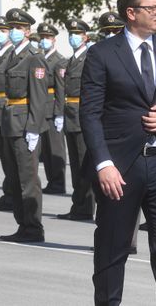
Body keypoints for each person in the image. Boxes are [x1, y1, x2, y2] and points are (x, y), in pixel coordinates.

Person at [80, 0, 156, 305]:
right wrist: (104, 164)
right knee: (112, 251)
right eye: (152, 7)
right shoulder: (102, 54)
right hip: (120, 169)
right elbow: (89, 114)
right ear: (131, 13)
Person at [0, 8, 48, 243]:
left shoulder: (34, 57)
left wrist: (33, 128)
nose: (13, 31)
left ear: (28, 31)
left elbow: (38, 97)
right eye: (11, 28)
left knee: (28, 180)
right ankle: (22, 225)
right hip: (10, 122)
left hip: (24, 125)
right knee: (15, 178)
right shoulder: (10, 55)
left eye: (18, 28)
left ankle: (34, 228)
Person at [56, 18, 95, 221]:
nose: (73, 37)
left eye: (77, 34)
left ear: (85, 37)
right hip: (70, 114)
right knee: (76, 164)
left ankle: (86, 206)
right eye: (71, 34)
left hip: (81, 115)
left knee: (83, 163)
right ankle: (78, 204)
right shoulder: (72, 59)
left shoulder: (89, 58)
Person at [38, 23, 68, 195]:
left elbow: (61, 88)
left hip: (53, 109)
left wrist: (59, 113)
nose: (44, 41)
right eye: (42, 37)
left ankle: (58, 182)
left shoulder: (59, 60)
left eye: (47, 38)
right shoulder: (40, 58)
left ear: (54, 40)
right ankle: (51, 181)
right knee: (46, 150)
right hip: (41, 108)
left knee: (56, 149)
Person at [0, 16, 15, 212]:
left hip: (7, 109)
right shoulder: (1, 55)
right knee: (3, 156)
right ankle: (8, 192)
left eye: (3, 30)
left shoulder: (12, 55)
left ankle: (11, 194)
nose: (0, 34)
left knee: (10, 158)